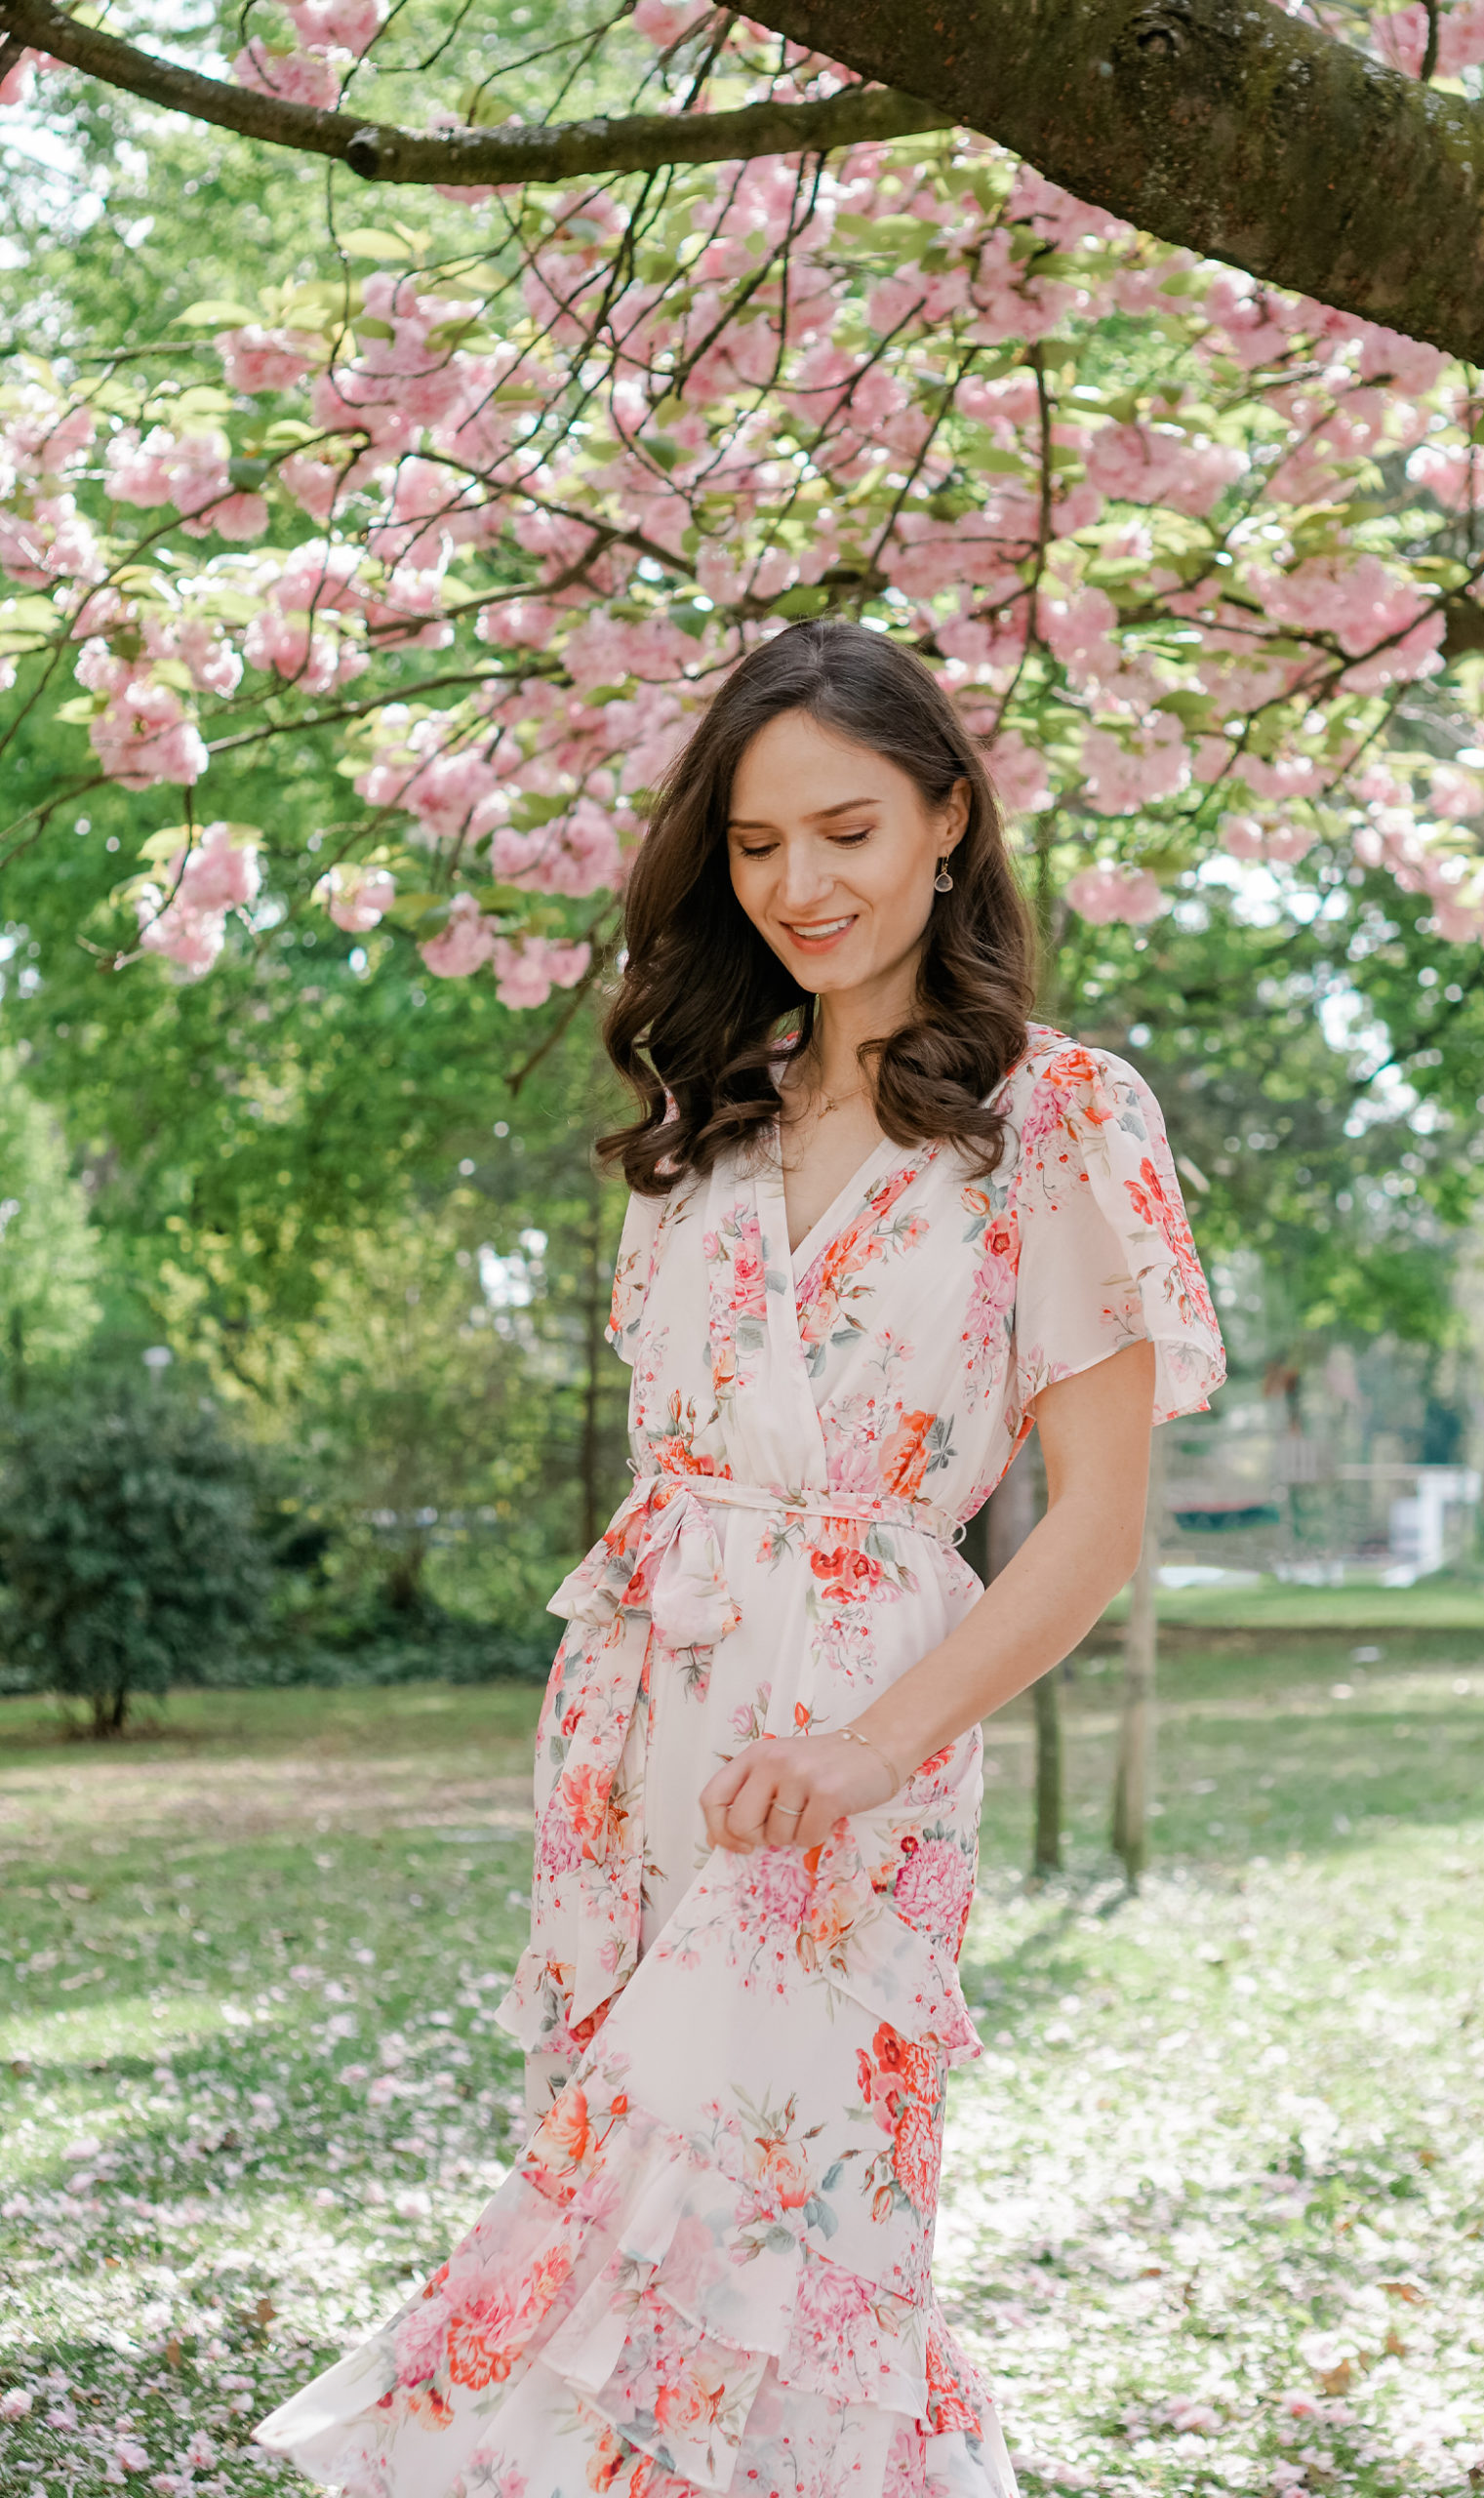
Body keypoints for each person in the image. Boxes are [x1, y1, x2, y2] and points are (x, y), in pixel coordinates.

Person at [255, 623, 1225, 2498]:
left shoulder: (1066, 1117)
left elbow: (1092, 1523)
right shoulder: (711, 1125)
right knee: (622, 2220)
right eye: (759, 847)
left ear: (950, 820)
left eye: (848, 829)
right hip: (643, 1728)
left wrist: (868, 1750)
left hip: (864, 1744)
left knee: (781, 2238)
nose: (801, 885)